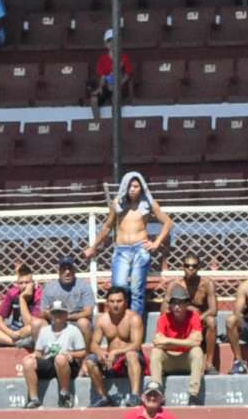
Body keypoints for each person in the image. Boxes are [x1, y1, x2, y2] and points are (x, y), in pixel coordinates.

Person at [86, 173, 169, 316]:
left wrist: (156, 242)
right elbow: (107, 226)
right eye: (130, 186)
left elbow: (168, 222)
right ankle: (119, 325)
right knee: (119, 288)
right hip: (121, 250)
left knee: (137, 291)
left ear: (141, 188)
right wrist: (93, 246)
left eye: (136, 186)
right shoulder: (117, 203)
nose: (132, 189)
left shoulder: (149, 203)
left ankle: (135, 325)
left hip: (140, 249)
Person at [150, 284, 208, 406]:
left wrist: (168, 341)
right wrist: (187, 342)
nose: (177, 307)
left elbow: (197, 341)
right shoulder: (163, 318)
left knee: (197, 351)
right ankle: (157, 391)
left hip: (186, 360)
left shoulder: (194, 317)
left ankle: (193, 395)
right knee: (156, 352)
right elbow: (158, 342)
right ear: (170, 305)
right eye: (174, 303)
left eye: (180, 303)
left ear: (187, 304)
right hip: (169, 360)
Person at [87, 287, 145, 407]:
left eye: (119, 301)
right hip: (111, 361)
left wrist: (116, 352)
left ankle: (135, 395)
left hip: (129, 359)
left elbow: (137, 344)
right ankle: (103, 396)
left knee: (131, 354)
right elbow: (93, 344)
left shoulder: (133, 318)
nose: (115, 305)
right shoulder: (102, 320)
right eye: (112, 301)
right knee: (90, 361)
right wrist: (100, 353)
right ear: (107, 303)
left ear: (126, 302)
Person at [24, 302, 88, 408]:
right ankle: (33, 399)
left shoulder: (73, 330)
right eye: (55, 313)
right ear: (51, 315)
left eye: (61, 312)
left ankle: (65, 395)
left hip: (68, 363)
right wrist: (35, 355)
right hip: (50, 361)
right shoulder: (44, 331)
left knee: (60, 359)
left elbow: (82, 352)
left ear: (66, 314)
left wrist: (70, 354)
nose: (58, 315)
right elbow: (39, 351)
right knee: (28, 362)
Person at [0, 267, 43, 349]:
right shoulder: (12, 293)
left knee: (33, 328)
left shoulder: (39, 295)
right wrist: (10, 333)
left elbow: (29, 324)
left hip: (28, 331)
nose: (24, 286)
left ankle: (1, 341)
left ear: (33, 283)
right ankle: (16, 343)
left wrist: (22, 299)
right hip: (14, 330)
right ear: (16, 284)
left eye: (27, 282)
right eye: (21, 283)